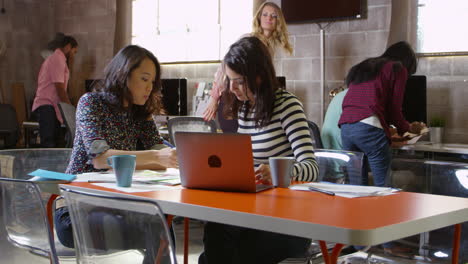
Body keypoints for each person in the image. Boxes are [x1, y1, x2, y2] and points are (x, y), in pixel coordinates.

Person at [199, 37, 319, 264]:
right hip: (255, 212)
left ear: (259, 76)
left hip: (289, 219)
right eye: (229, 80)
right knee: (215, 232)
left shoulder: (287, 105)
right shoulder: (245, 109)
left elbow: (311, 168)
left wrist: (277, 172)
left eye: (239, 81)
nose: (232, 89)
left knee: (218, 256)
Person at [55, 45, 177, 263]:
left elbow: (158, 148)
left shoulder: (140, 112)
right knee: (157, 228)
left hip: (119, 204)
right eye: (144, 79)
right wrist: (158, 157)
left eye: (152, 82)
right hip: (76, 211)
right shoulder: (90, 103)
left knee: (161, 224)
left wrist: (176, 155)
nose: (149, 88)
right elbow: (100, 159)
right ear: (124, 74)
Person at [339, 41, 425, 188]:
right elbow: (394, 109)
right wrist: (408, 129)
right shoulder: (398, 68)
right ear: (407, 63)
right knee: (383, 188)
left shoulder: (364, 66)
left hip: (346, 128)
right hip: (369, 128)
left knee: (355, 187)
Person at [203, 1, 293, 123]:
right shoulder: (248, 39)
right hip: (233, 100)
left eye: (273, 16)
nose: (269, 18)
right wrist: (214, 99)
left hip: (249, 103)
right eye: (265, 14)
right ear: (259, 17)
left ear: (278, 21)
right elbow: (223, 68)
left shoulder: (270, 48)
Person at [32, 33, 78, 147]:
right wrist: (71, 110)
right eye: (74, 52)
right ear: (68, 47)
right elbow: (60, 88)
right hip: (46, 105)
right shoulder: (57, 58)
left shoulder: (59, 60)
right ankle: (47, 165)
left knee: (56, 141)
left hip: (51, 105)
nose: (73, 56)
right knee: (49, 142)